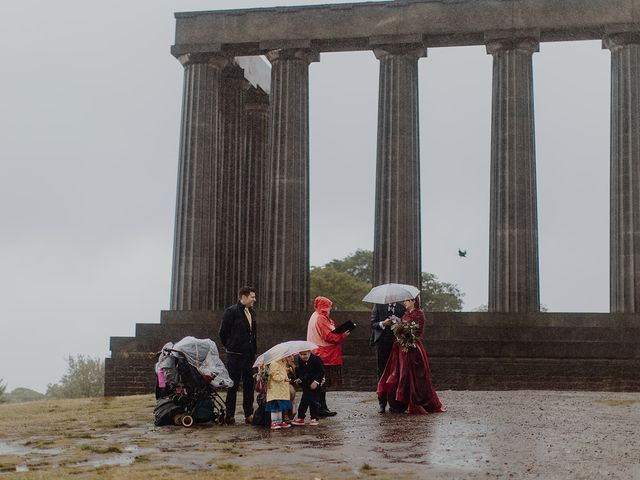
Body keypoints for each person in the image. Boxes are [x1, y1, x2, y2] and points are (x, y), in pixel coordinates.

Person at [376, 295, 446, 414]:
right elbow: (401, 327)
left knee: (415, 375)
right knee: (402, 375)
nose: (404, 303)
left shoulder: (418, 313)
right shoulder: (406, 314)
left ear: (414, 301)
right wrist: (398, 326)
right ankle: (402, 403)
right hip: (401, 348)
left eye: (407, 300)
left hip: (412, 347)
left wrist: (404, 330)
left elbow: (417, 331)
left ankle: (417, 401)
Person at [219, 286, 257, 425]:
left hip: (249, 355)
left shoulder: (252, 312)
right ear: (244, 297)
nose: (254, 299)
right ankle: (230, 415)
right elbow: (223, 333)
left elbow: (252, 333)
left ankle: (249, 414)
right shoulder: (231, 311)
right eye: (252, 297)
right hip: (235, 355)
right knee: (232, 385)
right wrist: (231, 346)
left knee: (249, 385)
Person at [306, 296, 349, 416]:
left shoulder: (316, 316)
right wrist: (343, 335)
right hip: (324, 354)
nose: (330, 310)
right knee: (322, 382)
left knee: (321, 383)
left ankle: (321, 407)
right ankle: (320, 409)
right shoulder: (321, 318)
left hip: (319, 352)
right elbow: (328, 336)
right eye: (328, 307)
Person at [370, 301, 406, 413]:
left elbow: (406, 324)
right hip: (382, 343)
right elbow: (373, 324)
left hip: (397, 344)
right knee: (382, 372)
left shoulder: (401, 307)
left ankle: (396, 402)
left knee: (397, 372)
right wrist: (383, 323)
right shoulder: (378, 305)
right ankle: (382, 402)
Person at [291, 350, 325, 426]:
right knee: (304, 400)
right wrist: (299, 378)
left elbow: (321, 371)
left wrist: (316, 382)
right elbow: (301, 371)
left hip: (315, 384)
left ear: (309, 352)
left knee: (314, 401)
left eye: (305, 354)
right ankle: (301, 417)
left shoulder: (316, 359)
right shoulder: (300, 360)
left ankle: (314, 418)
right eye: (301, 354)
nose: (303, 356)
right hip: (306, 383)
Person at [265, 356, 293, 430]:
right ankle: (274, 422)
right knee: (274, 406)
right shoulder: (274, 363)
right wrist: (284, 378)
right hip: (275, 390)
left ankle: (279, 421)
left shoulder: (282, 363)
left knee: (279, 407)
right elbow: (275, 376)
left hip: (281, 390)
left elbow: (281, 371)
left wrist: (287, 370)